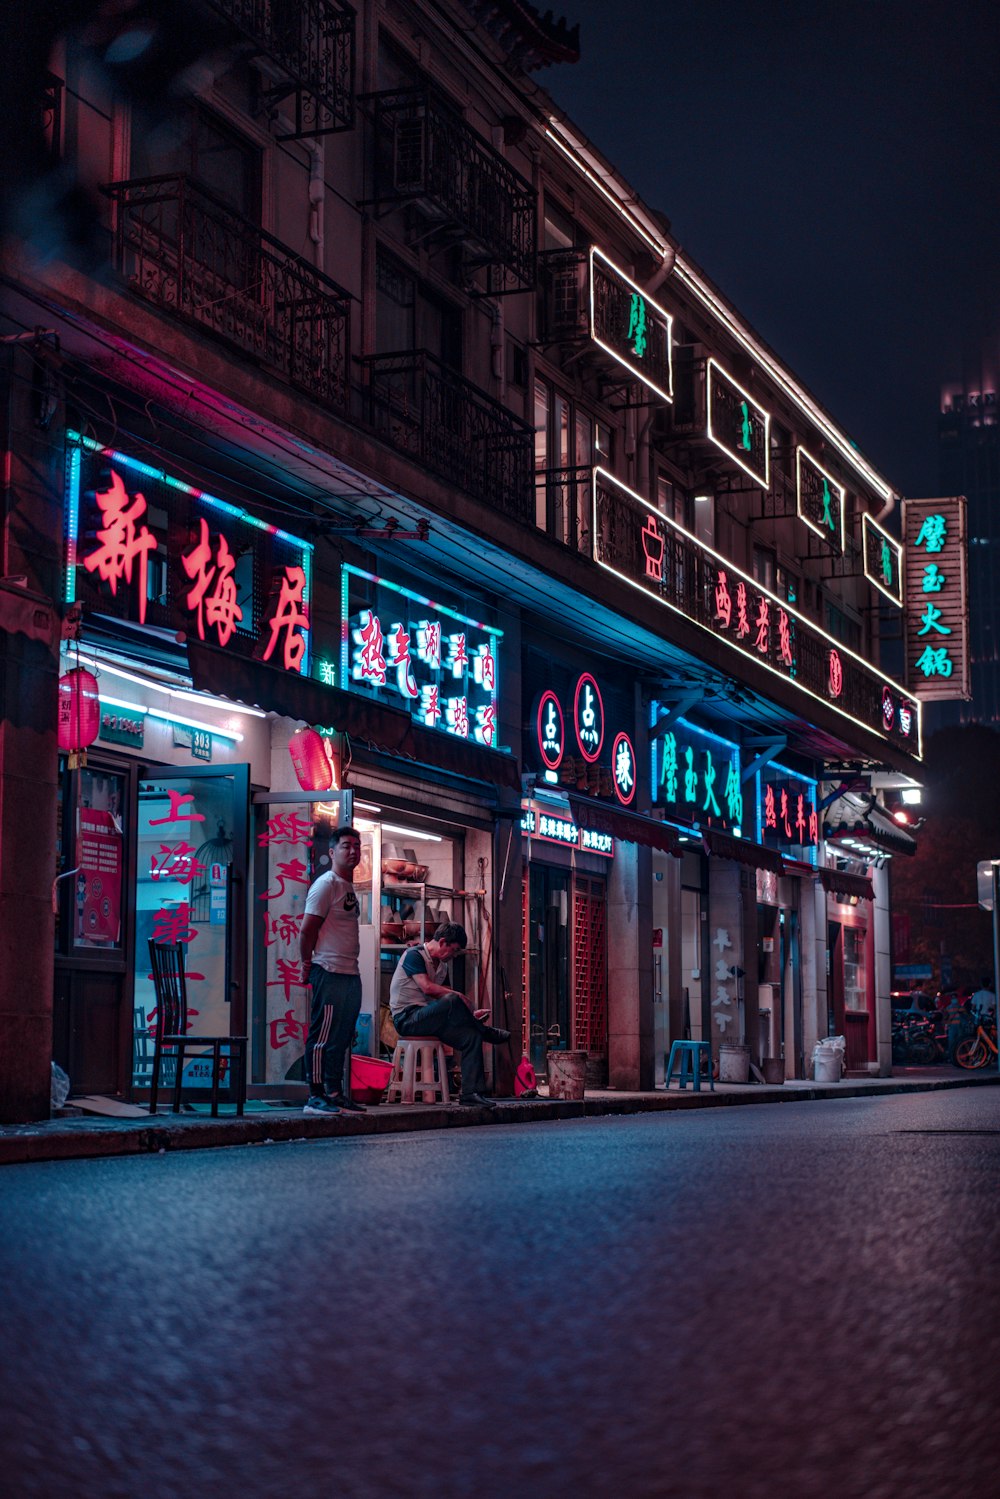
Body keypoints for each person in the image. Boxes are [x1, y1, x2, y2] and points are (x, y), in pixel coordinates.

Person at [389, 921, 509, 1108]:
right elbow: (428, 988)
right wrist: (460, 997)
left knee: (471, 1036)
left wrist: (470, 1014)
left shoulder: (442, 967)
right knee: (454, 999)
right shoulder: (414, 955)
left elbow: (446, 1003)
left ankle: (471, 1093)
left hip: (429, 1018)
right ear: (443, 941)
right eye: (453, 950)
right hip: (406, 1018)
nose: (453, 956)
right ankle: (486, 1032)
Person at [299, 825, 367, 1116]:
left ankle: (335, 1092)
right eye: (345, 846)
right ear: (331, 852)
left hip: (350, 973)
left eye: (356, 846)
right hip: (328, 970)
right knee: (323, 1036)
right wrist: (306, 965)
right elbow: (307, 930)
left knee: (341, 1036)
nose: (352, 851)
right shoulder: (326, 884)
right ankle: (314, 1096)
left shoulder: (347, 885)